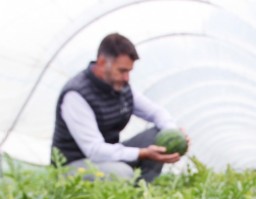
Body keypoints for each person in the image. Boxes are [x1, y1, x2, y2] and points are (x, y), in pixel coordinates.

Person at [51, 33, 188, 182]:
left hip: (106, 158)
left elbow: (156, 113)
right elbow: (94, 150)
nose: (126, 78)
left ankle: (143, 191)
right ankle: (130, 191)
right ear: (102, 62)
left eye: (129, 71)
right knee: (122, 173)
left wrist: (173, 133)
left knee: (158, 134)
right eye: (122, 71)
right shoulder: (76, 95)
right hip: (74, 165)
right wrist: (141, 153)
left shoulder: (120, 87)